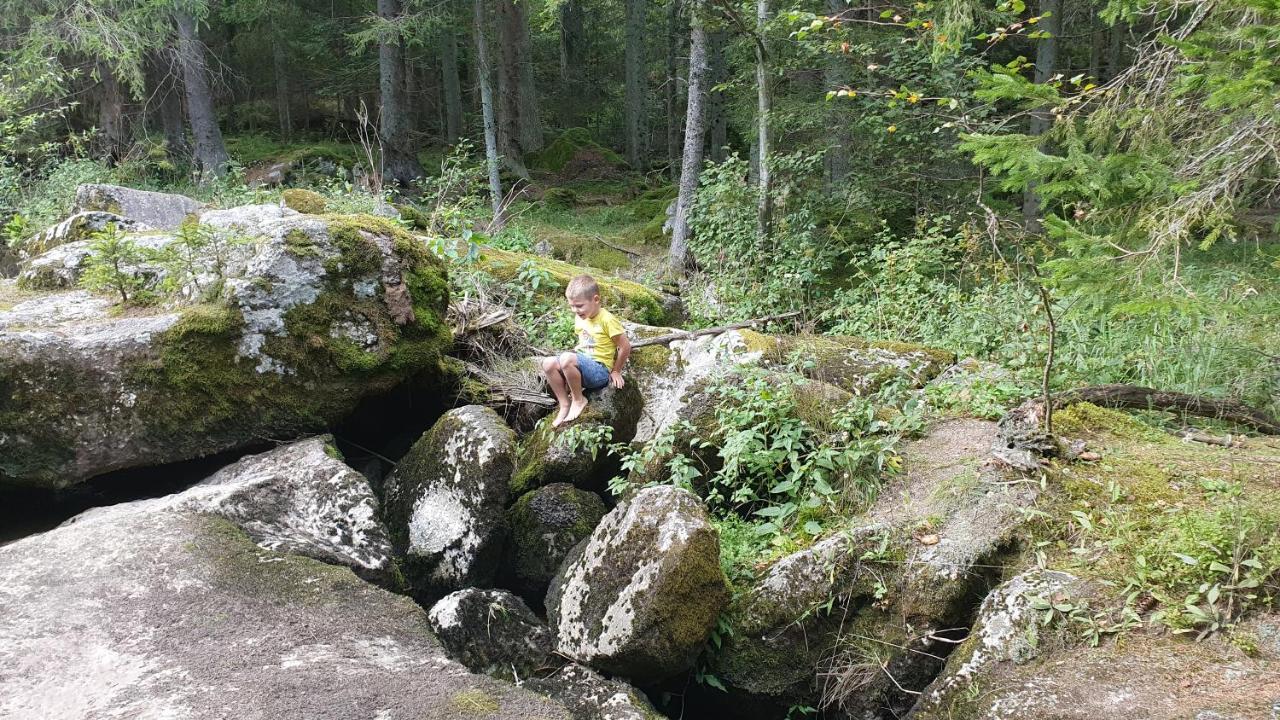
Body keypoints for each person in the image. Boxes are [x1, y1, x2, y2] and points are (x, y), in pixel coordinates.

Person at [539, 274, 631, 427]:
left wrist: (616, 371)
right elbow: (584, 343)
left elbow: (625, 346)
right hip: (583, 366)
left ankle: (578, 399)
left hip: (599, 371)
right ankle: (565, 404)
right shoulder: (580, 318)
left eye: (579, 306)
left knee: (567, 358)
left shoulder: (607, 319)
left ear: (596, 299)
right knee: (547, 363)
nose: (575, 310)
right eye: (572, 306)